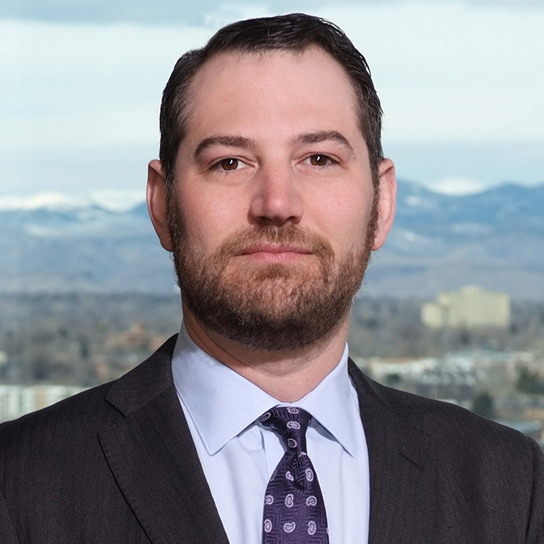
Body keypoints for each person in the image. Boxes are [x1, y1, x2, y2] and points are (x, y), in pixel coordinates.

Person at [0, 13, 542, 544]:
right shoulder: (17, 482)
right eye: (230, 163)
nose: (277, 203)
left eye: (319, 159)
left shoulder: (513, 487)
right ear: (163, 203)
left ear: (382, 204)